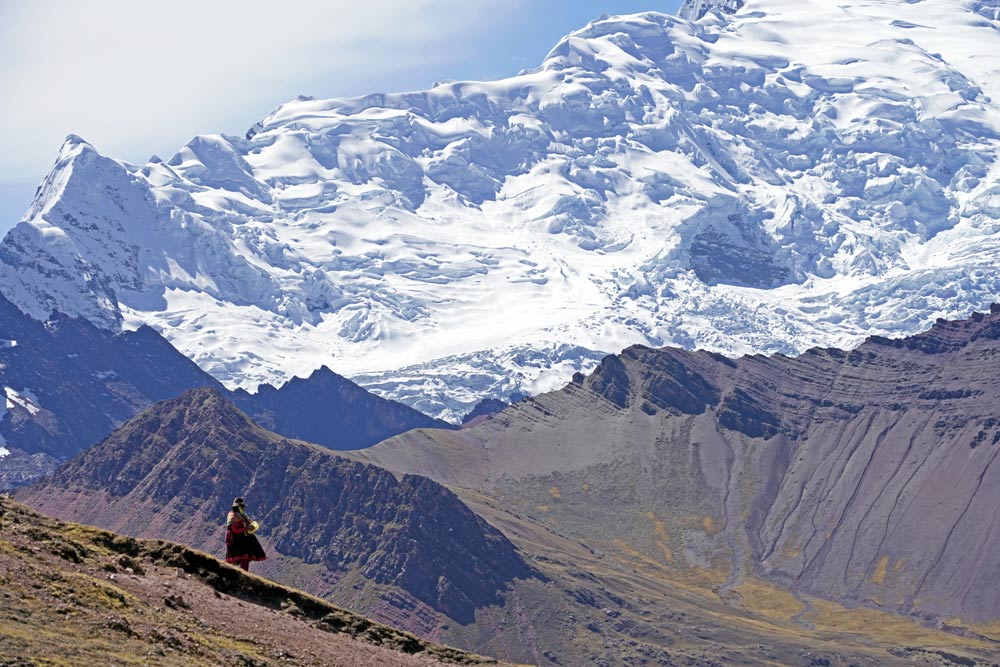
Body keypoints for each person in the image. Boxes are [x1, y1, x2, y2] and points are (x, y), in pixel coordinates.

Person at [225, 497, 267, 571]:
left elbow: (248, 524)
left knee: (245, 557)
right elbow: (234, 530)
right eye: (242, 507)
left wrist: (251, 527)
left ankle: (244, 572)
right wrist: (246, 529)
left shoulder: (243, 516)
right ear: (238, 507)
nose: (243, 509)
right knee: (240, 557)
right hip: (235, 540)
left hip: (244, 538)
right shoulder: (232, 516)